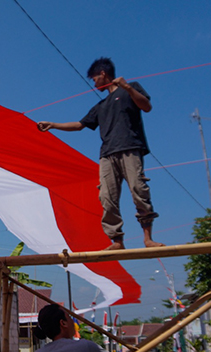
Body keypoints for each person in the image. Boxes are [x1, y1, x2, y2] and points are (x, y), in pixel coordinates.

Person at [37, 57, 163, 250]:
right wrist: (53, 125)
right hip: (107, 155)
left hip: (130, 148)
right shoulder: (100, 106)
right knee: (106, 196)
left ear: (103, 74)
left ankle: (148, 239)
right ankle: (117, 241)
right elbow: (79, 125)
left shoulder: (131, 88)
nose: (94, 83)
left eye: (95, 79)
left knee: (139, 190)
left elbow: (146, 106)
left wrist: (128, 87)